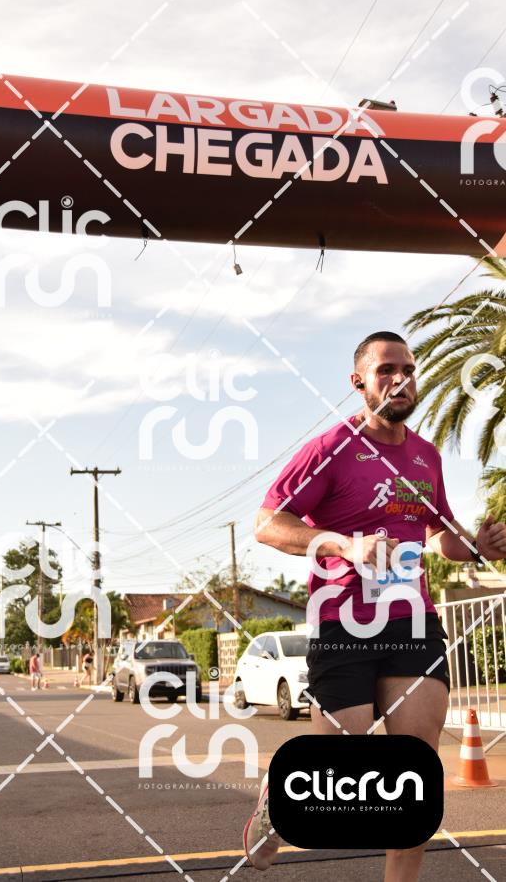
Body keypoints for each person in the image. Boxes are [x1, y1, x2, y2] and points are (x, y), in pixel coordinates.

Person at [243, 331, 506, 880]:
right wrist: (343, 545)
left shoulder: (426, 456)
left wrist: (477, 545)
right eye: (386, 369)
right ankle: (279, 800)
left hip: (413, 622)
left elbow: (439, 534)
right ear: (358, 381)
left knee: (415, 777)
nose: (400, 378)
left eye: (407, 369)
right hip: (344, 621)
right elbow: (268, 524)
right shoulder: (330, 448)